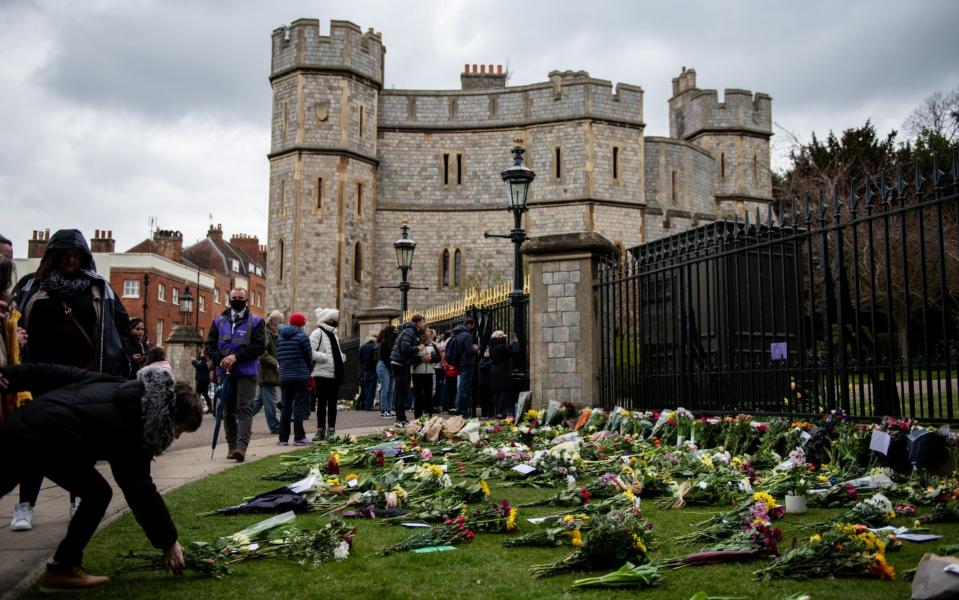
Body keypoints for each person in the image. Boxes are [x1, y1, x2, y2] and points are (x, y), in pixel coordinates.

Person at [0, 362, 202, 591]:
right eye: (179, 429)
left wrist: (11, 376)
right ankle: (64, 568)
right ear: (170, 416)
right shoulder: (138, 426)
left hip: (25, 424)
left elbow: (61, 373)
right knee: (97, 494)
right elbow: (140, 491)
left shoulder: (121, 386)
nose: (175, 436)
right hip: (44, 436)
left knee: (95, 492)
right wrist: (169, 542)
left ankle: (64, 567)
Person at [12, 228, 131, 530]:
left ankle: (77, 499)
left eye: (76, 254)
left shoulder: (98, 288)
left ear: (84, 257)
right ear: (53, 255)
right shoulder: (30, 287)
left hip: (82, 377)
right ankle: (25, 505)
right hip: (38, 375)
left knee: (79, 442)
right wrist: (16, 334)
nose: (70, 259)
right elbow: (10, 321)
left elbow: (121, 328)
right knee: (34, 440)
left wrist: (119, 364)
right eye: (65, 254)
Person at [204, 288, 265, 463]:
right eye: (234, 298)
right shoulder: (218, 321)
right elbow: (209, 346)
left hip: (246, 371)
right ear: (229, 299)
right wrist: (221, 359)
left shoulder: (256, 322)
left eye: (240, 298)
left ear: (246, 300)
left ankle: (241, 447)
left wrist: (236, 357)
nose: (237, 300)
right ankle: (231, 446)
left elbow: (259, 347)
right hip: (224, 372)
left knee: (244, 408)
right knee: (226, 409)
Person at [276, 312, 313, 446]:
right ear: (301, 324)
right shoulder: (302, 337)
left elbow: (278, 356)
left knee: (285, 406)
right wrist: (309, 370)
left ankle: (283, 438)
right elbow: (309, 356)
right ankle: (299, 437)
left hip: (285, 376)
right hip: (300, 375)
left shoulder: (280, 337)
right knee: (299, 406)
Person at [309, 308, 345, 441]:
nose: (335, 321)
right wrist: (325, 357)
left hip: (334, 374)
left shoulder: (333, 334)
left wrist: (341, 357)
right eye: (332, 319)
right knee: (322, 403)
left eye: (335, 319)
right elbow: (310, 352)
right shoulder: (317, 333)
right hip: (322, 374)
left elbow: (336, 351)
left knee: (332, 404)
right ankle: (320, 430)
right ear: (326, 320)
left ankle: (331, 430)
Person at [390, 314, 426, 426]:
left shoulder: (411, 331)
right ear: (418, 322)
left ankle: (401, 418)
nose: (425, 324)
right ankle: (400, 419)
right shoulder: (409, 331)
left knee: (402, 391)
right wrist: (418, 348)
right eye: (423, 322)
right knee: (402, 391)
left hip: (401, 363)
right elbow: (405, 348)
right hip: (400, 364)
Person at [253, 310, 283, 434]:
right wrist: (275, 363)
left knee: (258, 401)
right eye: (280, 323)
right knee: (270, 402)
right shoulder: (266, 334)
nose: (281, 325)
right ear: (273, 323)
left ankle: (242, 419)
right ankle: (275, 426)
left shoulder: (271, 334)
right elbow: (261, 352)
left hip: (267, 373)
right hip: (268, 373)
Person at [447, 317, 478, 418]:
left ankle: (462, 409)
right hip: (467, 363)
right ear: (470, 324)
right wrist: (476, 348)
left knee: (462, 386)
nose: (473, 327)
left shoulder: (457, 334)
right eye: (473, 325)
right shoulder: (467, 335)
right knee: (464, 387)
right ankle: (463, 411)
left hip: (460, 363)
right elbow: (469, 351)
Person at [410, 328, 439, 419]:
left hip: (429, 372)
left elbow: (438, 357)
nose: (425, 335)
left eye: (426, 333)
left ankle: (428, 414)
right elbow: (410, 357)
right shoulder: (414, 344)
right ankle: (418, 416)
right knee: (418, 395)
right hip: (417, 372)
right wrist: (420, 359)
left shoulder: (431, 344)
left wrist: (431, 357)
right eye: (424, 334)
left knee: (428, 395)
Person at [487, 331, 516, 418]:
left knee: (497, 392)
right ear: (500, 338)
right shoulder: (501, 347)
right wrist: (516, 345)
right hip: (503, 371)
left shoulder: (492, 347)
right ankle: (500, 412)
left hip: (494, 371)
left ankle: (497, 411)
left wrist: (509, 346)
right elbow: (513, 353)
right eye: (503, 337)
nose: (505, 339)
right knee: (503, 391)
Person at [376, 325, 395, 419]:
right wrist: (391, 368)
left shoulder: (392, 342)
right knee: (385, 388)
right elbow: (384, 357)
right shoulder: (384, 343)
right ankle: (384, 410)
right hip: (384, 366)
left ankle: (389, 408)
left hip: (390, 366)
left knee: (391, 390)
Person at [358, 333, 378, 411]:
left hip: (365, 369)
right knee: (372, 388)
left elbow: (360, 359)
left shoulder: (363, 347)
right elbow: (376, 358)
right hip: (373, 369)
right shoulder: (374, 347)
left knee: (366, 388)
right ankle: (369, 405)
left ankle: (366, 404)